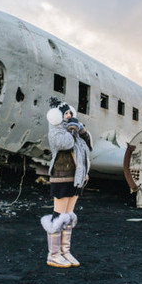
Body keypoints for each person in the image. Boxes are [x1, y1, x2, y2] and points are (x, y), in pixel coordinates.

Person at [41, 97, 92, 268]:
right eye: (65, 114)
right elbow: (67, 143)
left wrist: (82, 130)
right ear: (57, 116)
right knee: (59, 215)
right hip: (61, 176)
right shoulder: (56, 131)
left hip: (75, 177)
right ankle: (53, 254)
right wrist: (74, 130)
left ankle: (65, 251)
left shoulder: (73, 130)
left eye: (70, 113)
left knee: (68, 215)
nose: (69, 116)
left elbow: (87, 147)